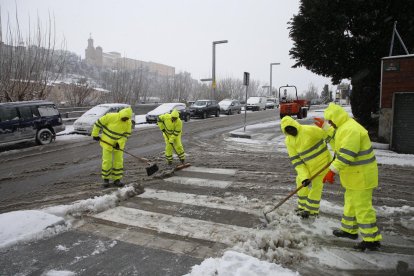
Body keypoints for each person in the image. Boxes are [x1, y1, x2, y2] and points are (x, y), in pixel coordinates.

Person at [315, 103, 382, 251]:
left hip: (362, 177)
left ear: (337, 118)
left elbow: (346, 155)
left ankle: (371, 239)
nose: (330, 124)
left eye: (331, 121)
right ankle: (349, 230)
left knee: (363, 208)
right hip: (354, 177)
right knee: (350, 203)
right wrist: (325, 128)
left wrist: (332, 171)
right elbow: (336, 141)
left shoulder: (351, 130)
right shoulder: (344, 127)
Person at [281, 116, 332, 218]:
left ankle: (311, 210)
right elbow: (296, 161)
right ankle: (302, 207)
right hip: (307, 166)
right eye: (288, 130)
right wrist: (304, 177)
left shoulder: (309, 130)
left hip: (322, 163)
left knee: (317, 186)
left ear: (295, 125)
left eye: (292, 128)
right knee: (300, 183)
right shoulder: (289, 141)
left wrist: (337, 149)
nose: (291, 131)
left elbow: (328, 136)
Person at [91, 107, 133, 187]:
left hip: (118, 146)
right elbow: (98, 123)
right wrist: (95, 134)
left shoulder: (128, 122)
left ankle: (117, 179)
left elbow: (126, 135)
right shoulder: (110, 116)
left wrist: (119, 143)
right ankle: (106, 180)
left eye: (127, 118)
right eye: (124, 118)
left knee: (118, 162)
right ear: (121, 115)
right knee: (107, 161)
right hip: (107, 144)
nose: (125, 119)